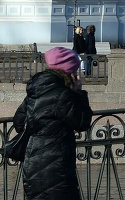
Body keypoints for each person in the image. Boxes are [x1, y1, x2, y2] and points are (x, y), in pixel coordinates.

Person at [13, 46, 93, 200]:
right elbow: (83, 122)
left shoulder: (35, 91)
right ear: (69, 71)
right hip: (57, 166)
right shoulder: (63, 95)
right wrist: (79, 93)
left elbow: (18, 123)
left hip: (32, 163)